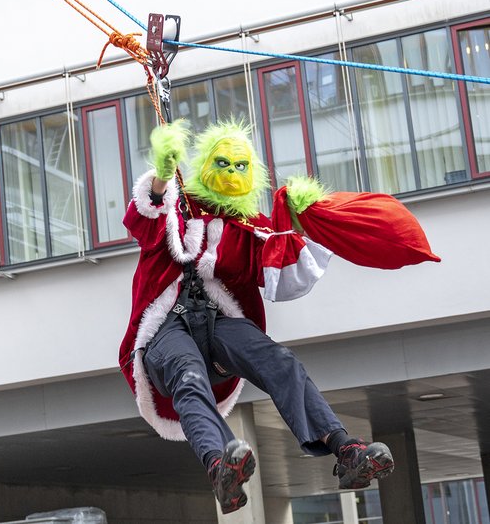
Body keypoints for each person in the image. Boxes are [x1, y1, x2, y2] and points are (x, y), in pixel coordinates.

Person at [119, 120, 438, 513]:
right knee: (188, 374)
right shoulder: (176, 209)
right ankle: (220, 466)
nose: (231, 173)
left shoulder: (248, 229)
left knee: (279, 360)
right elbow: (144, 219)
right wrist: (161, 178)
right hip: (165, 329)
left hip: (218, 325)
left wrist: (303, 214)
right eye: (223, 163)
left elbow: (277, 267)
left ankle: (345, 450)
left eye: (240, 166)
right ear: (205, 166)